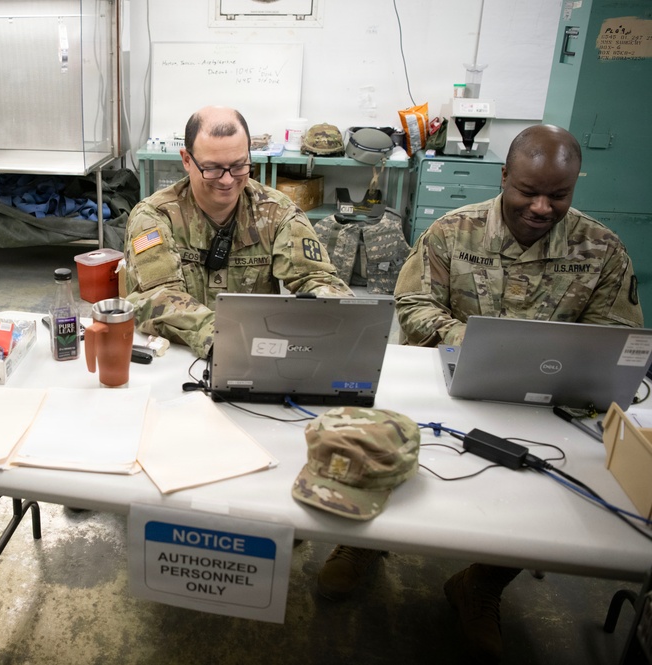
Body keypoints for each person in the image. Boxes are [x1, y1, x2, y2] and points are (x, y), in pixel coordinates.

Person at [317, 124, 643, 663]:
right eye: (528, 192)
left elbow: (617, 339)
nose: (542, 207)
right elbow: (412, 308)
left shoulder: (601, 249)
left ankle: (483, 583)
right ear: (504, 178)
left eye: (558, 196)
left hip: (546, 399)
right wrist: (471, 340)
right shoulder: (452, 233)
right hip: (447, 383)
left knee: (561, 479)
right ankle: (364, 542)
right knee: (382, 434)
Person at [124, 106, 352, 359]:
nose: (227, 180)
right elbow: (156, 298)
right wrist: (225, 336)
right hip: (177, 357)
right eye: (212, 168)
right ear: (187, 160)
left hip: (261, 355)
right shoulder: (155, 217)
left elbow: (318, 280)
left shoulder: (278, 212)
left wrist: (335, 313)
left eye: (239, 166)